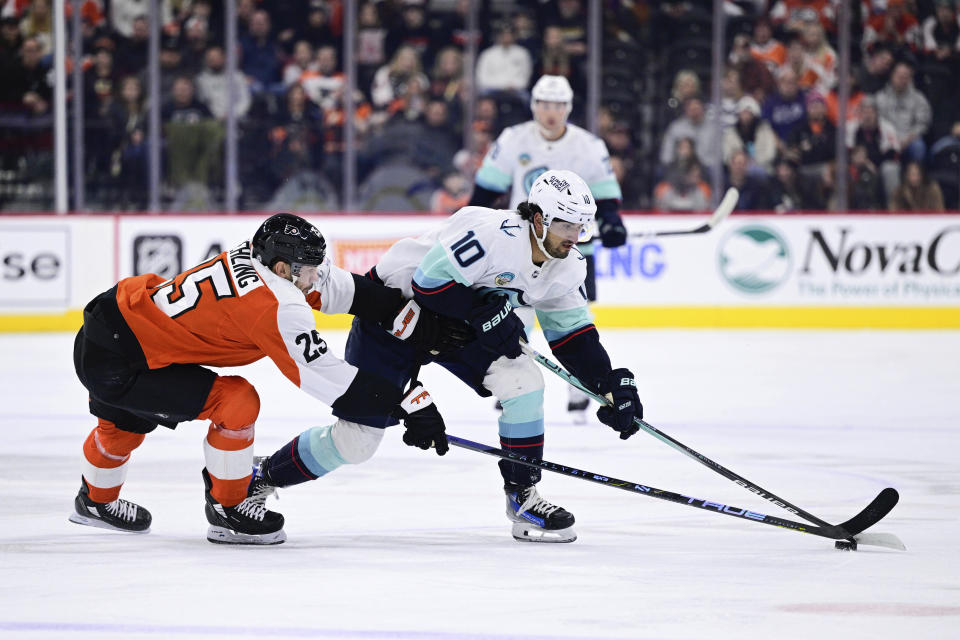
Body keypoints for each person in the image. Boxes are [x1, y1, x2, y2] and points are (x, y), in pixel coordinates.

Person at [254, 170, 644, 544]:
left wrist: (608, 382)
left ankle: (522, 496)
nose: (575, 238)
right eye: (567, 226)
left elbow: (573, 336)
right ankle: (262, 475)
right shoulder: (494, 234)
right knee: (358, 440)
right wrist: (485, 311)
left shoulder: (568, 265)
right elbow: (428, 283)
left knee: (524, 381)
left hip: (456, 326)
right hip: (395, 311)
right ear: (539, 219)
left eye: (581, 227)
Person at [69, 213, 468, 545]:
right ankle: (228, 508)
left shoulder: (264, 261)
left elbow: (339, 288)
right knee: (236, 401)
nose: (316, 276)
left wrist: (413, 324)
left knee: (121, 425)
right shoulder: (275, 306)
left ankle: (95, 501)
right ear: (283, 268)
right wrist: (410, 400)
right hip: (122, 358)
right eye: (309, 270)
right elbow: (329, 378)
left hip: (113, 322)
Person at [467, 75, 627, 420]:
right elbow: (484, 191)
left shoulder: (588, 145)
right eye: (543, 103)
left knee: (574, 315)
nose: (550, 112)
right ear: (533, 105)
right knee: (515, 315)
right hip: (521, 244)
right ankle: (514, 381)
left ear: (568, 108)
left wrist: (613, 222)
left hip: (570, 247)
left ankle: (581, 389)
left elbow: (607, 196)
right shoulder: (513, 139)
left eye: (558, 105)